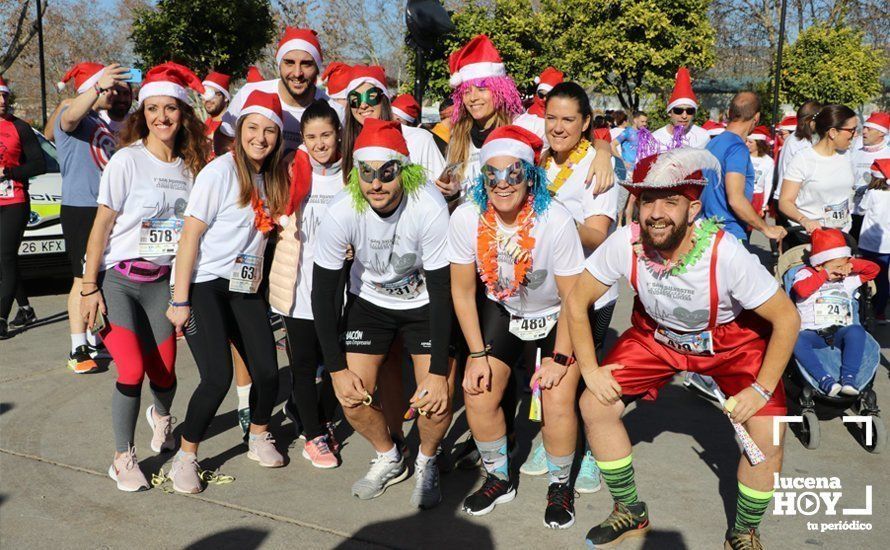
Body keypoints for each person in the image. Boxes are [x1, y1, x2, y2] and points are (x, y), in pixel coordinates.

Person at [566, 147, 800, 550]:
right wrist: (589, 369)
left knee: (767, 438)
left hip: (731, 343)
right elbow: (576, 301)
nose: (656, 213)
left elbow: (787, 319)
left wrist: (759, 390)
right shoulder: (626, 240)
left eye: (670, 201)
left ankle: (743, 531)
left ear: (692, 210)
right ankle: (629, 511)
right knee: (594, 403)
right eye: (647, 201)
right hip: (656, 337)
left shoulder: (725, 252)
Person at [311, 119, 454, 508]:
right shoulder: (342, 209)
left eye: (387, 174)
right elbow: (322, 295)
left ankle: (427, 460)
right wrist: (336, 368)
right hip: (370, 303)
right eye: (367, 173)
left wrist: (440, 372)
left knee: (436, 399)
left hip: (424, 303)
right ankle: (391, 456)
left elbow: (443, 292)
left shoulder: (428, 205)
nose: (376, 184)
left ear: (404, 174)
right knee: (351, 397)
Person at [79, 62, 207, 491]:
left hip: (162, 284)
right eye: (152, 109)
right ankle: (122, 457)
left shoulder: (192, 167)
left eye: (170, 108)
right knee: (130, 369)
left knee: (166, 372)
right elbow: (101, 226)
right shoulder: (127, 161)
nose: (161, 117)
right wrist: (89, 286)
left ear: (183, 113)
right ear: (142, 113)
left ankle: (161, 416)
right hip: (119, 280)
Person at [448, 125, 584, 527]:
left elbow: (575, 298)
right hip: (502, 310)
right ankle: (498, 477)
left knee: (556, 399)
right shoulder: (467, 216)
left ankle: (560, 485)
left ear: (531, 176)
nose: (502, 183)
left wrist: (561, 357)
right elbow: (461, 290)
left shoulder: (554, 219)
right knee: (478, 390)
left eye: (514, 174)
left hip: (558, 313)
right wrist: (475, 355)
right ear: (481, 177)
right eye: (492, 174)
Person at [166, 91, 289, 493]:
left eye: (270, 130)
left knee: (268, 372)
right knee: (217, 377)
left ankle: (257, 434)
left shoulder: (272, 176)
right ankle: (185, 456)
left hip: (245, 286)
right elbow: (190, 238)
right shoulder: (218, 173)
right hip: (205, 287)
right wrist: (180, 300)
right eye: (253, 128)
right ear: (239, 131)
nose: (261, 137)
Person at [519, 82, 620, 494]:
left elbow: (599, 236)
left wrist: (551, 216)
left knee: (587, 377)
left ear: (585, 124)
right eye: (551, 118)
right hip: (545, 293)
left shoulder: (599, 169)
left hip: (592, 292)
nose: (557, 127)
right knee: (547, 372)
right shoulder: (539, 161)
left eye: (567, 119)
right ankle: (551, 440)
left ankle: (595, 452)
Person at [440, 35, 613, 204]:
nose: (473, 98)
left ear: (500, 90)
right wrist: (452, 194)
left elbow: (578, 139)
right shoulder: (459, 138)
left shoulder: (526, 125)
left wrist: (603, 153)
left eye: (482, 89)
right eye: (466, 91)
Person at [267, 100, 342, 468]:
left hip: (340, 290)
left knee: (337, 363)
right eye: (311, 136)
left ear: (338, 133)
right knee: (303, 364)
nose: (319, 143)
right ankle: (313, 435)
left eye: (326, 134)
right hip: (297, 284)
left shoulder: (352, 174)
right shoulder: (290, 169)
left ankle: (323, 418)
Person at [55, 61, 131, 374]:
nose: (112, 93)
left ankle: (95, 335)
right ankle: (78, 348)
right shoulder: (72, 115)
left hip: (106, 208)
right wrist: (98, 87)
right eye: (105, 88)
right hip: (80, 208)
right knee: (81, 278)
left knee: (101, 277)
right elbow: (70, 115)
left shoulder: (102, 122)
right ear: (91, 88)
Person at [791, 229, 879, 396]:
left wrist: (852, 265)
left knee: (856, 331)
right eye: (838, 267)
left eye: (845, 265)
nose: (842, 270)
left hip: (839, 330)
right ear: (818, 265)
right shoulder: (804, 274)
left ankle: (849, 379)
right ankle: (824, 379)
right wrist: (824, 275)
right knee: (795, 340)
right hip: (812, 332)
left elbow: (873, 270)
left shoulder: (847, 279)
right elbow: (801, 291)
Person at [216, 27, 327, 156]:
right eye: (289, 63)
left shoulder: (331, 109)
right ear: (279, 64)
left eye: (306, 64)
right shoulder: (250, 94)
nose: (297, 73)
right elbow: (224, 137)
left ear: (317, 68)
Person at [701, 92, 786, 243]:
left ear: (729, 113)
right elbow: (736, 199)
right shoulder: (737, 148)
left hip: (707, 232)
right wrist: (766, 228)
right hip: (729, 236)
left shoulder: (713, 143)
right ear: (757, 118)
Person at [0, 75, 47, 338]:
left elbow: (39, 164)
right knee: (4, 260)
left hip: (14, 201)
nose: (3, 100)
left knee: (5, 257)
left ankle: (1, 318)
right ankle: (26, 308)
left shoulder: (20, 127)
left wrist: (10, 171)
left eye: (5, 95)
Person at [341, 65, 445, 183]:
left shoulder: (419, 140)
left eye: (371, 96)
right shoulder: (348, 145)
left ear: (384, 99)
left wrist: (452, 193)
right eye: (355, 99)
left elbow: (441, 189)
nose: (363, 105)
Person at [779, 104, 858, 248]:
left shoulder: (848, 155)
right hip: (809, 237)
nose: (855, 134)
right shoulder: (803, 159)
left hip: (841, 237)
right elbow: (785, 201)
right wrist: (804, 220)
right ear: (833, 132)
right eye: (851, 130)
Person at [858, 159, 890, 322]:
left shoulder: (872, 193)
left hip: (868, 243)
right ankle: (880, 312)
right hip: (887, 245)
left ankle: (863, 306)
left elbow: (861, 210)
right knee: (883, 278)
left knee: (864, 274)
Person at [773, 101, 822, 205]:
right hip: (791, 199)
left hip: (789, 196)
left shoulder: (800, 139)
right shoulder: (800, 142)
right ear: (812, 120)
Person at [850, 112, 889, 239]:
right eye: (864, 128)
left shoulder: (888, 154)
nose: (864, 132)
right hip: (851, 212)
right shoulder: (855, 151)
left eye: (869, 129)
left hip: (875, 217)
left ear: (881, 133)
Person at [650, 67, 710, 150]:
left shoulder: (703, 137)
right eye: (678, 111)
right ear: (669, 112)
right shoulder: (655, 138)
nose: (684, 116)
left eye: (689, 111)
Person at [514, 66, 564, 143]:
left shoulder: (561, 117)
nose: (544, 99)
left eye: (549, 96)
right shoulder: (524, 112)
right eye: (541, 94)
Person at [747, 126, 775, 217]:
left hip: (756, 197)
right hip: (742, 195)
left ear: (759, 144)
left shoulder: (768, 161)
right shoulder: (743, 156)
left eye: (750, 142)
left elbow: (768, 184)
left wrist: (763, 205)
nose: (746, 144)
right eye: (746, 141)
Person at [201, 71, 231, 147]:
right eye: (204, 95)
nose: (207, 100)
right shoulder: (205, 125)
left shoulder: (232, 126)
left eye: (212, 94)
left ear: (226, 98)